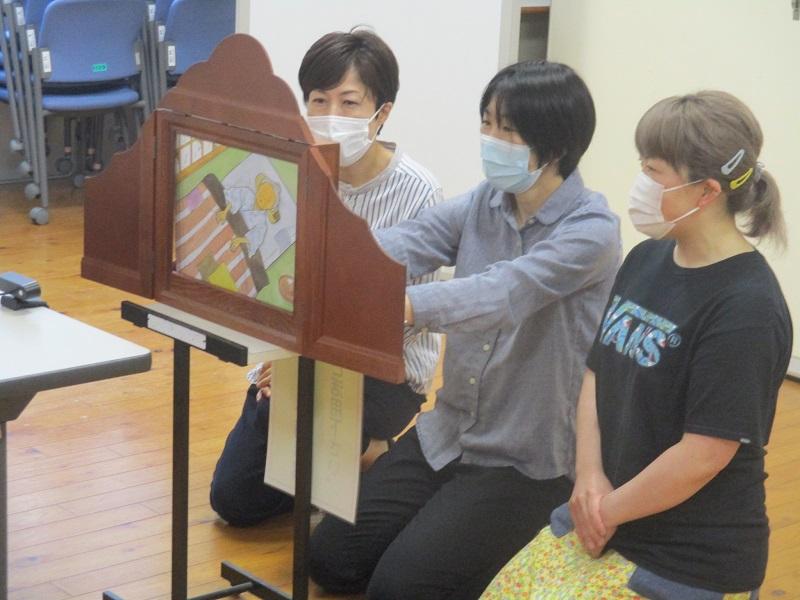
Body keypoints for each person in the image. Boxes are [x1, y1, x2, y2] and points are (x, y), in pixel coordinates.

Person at [307, 60, 622, 600]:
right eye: (487, 123)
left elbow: (502, 293)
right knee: (329, 558)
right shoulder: (487, 200)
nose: (490, 139)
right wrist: (334, 266)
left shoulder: (591, 233)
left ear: (554, 146)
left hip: (525, 461)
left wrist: (401, 305)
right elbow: (409, 241)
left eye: (508, 130)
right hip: (449, 432)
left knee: (398, 590)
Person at [481, 91, 793, 599]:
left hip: (686, 557)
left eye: (654, 171)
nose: (640, 183)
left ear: (706, 192)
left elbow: (703, 455)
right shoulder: (647, 258)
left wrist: (606, 511)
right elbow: (596, 373)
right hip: (604, 511)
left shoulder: (748, 308)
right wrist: (587, 478)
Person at [209, 29, 442, 527]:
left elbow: (410, 319)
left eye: (349, 102)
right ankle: (349, 461)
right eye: (319, 100)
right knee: (233, 499)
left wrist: (310, 369)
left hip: (382, 371)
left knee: (304, 434)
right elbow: (271, 282)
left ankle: (370, 447)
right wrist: (281, 359)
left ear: (382, 112)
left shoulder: (419, 192)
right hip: (296, 356)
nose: (331, 114)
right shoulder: (290, 171)